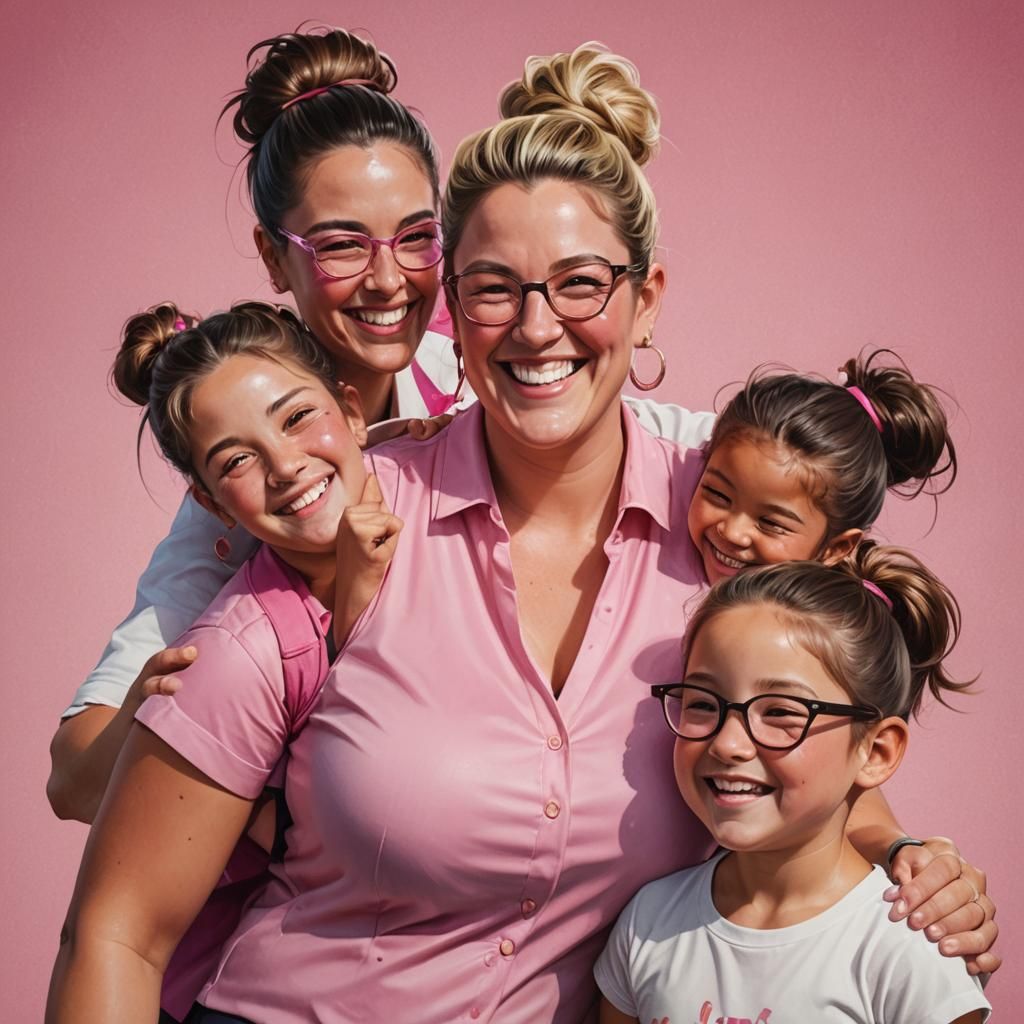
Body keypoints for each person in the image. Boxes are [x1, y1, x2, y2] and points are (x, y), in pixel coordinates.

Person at [47, 45, 996, 1024]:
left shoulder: (726, 527)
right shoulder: (342, 534)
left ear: (648, 298)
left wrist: (903, 855)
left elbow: (814, 737)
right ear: (450, 311)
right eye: (495, 288)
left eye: (580, 283)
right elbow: (117, 928)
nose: (536, 328)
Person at [45, 26, 713, 827]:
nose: (389, 277)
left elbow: (647, 431)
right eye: (340, 246)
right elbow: (74, 781)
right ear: (270, 255)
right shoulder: (257, 488)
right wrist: (229, 756)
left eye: (417, 238)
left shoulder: (487, 362)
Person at [47, 300, 400, 1023]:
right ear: (209, 501)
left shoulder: (433, 465)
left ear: (353, 411)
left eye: (298, 418)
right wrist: (151, 714)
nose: (284, 464)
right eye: (237, 459)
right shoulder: (219, 626)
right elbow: (70, 785)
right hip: (219, 984)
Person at [596, 548, 990, 1022]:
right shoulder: (648, 921)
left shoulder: (910, 952)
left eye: (781, 712)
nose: (728, 743)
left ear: (877, 751)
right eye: (701, 703)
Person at [687, 351, 955, 583]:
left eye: (770, 523)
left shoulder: (811, 640)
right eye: (718, 494)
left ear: (835, 548)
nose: (732, 532)